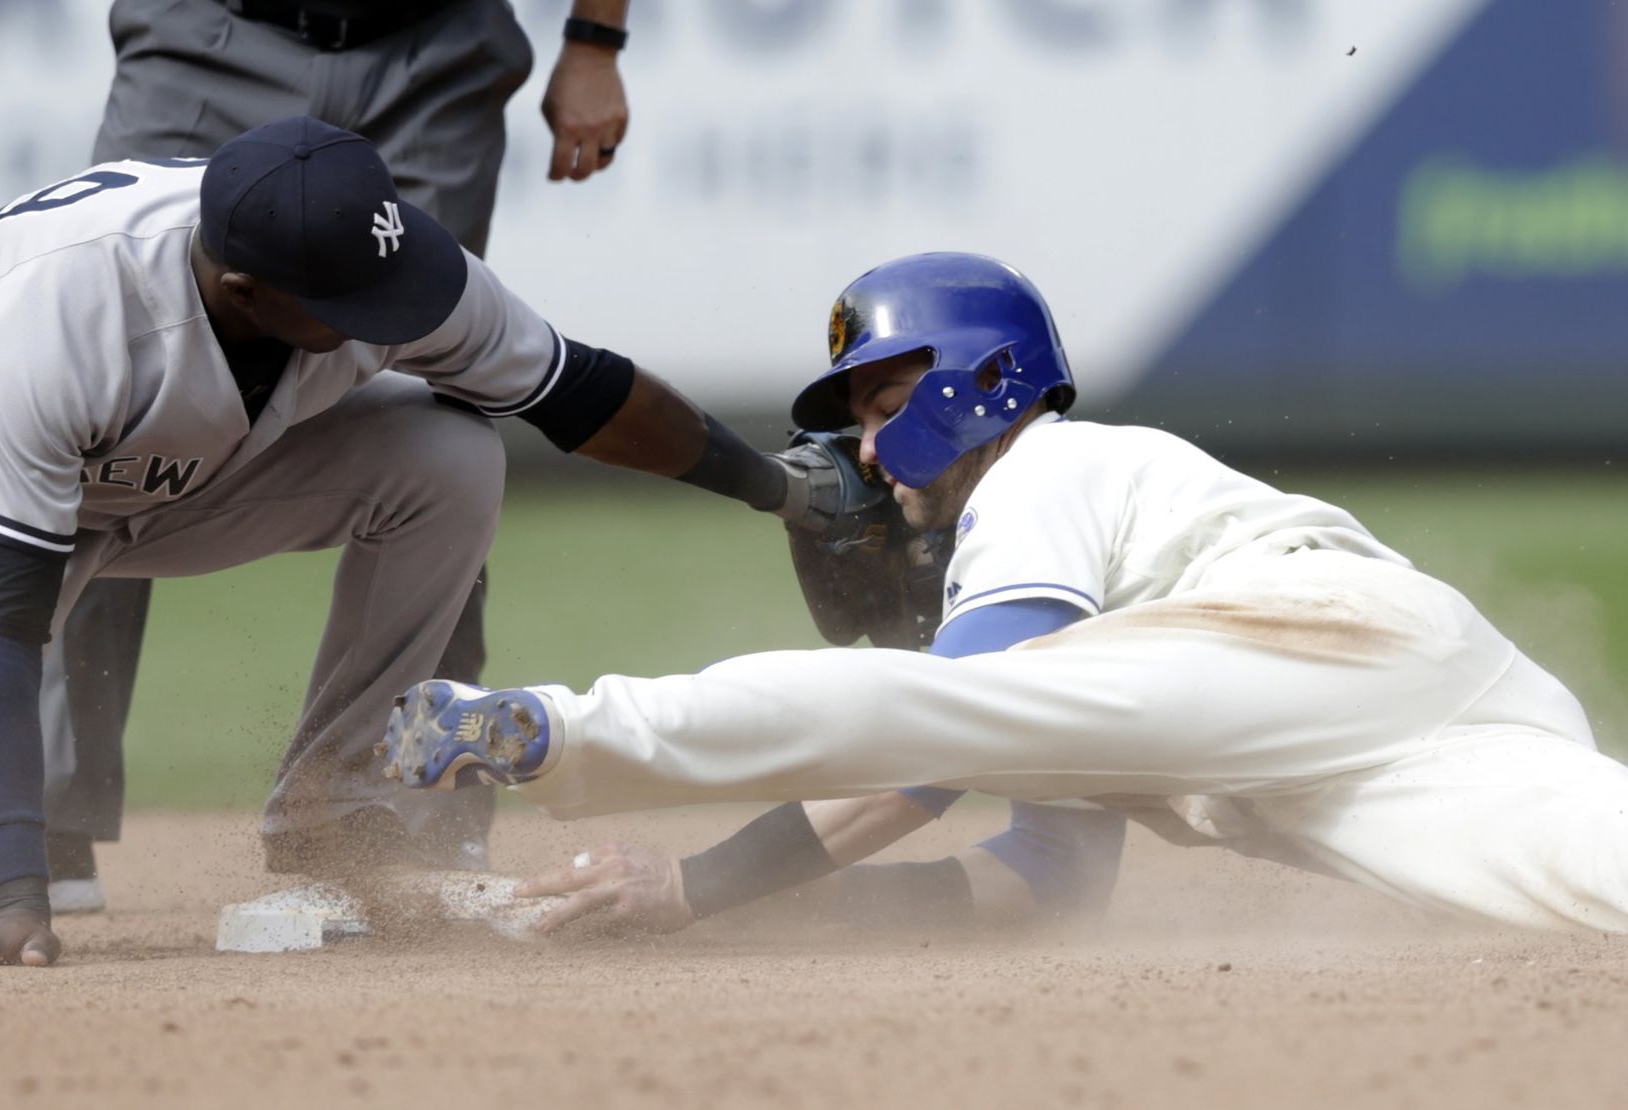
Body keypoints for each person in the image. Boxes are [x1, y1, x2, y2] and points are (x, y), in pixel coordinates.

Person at [0, 119, 861, 968]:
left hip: (164, 478)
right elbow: (0, 620)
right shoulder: (68, 314)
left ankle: (340, 826)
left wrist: (776, 492)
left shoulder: (369, 260)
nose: (394, 312)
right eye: (351, 306)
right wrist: (19, 887)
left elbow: (579, 391)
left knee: (450, 452)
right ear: (241, 286)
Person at [380, 251, 1628, 937]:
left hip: (1318, 633)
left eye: (879, 407)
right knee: (1578, 875)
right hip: (1380, 731)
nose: (865, 452)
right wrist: (784, 917)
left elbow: (937, 733)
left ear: (980, 384)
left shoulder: (1044, 469)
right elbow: (1047, 882)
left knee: (929, 700)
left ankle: (556, 726)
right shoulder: (1086, 684)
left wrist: (702, 885)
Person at [0, 0, 635, 898]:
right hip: (205, 34)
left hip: (434, 42)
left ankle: (399, 810)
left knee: (441, 411)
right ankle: (37, 821)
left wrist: (595, 39)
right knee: (101, 395)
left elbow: (532, 378)